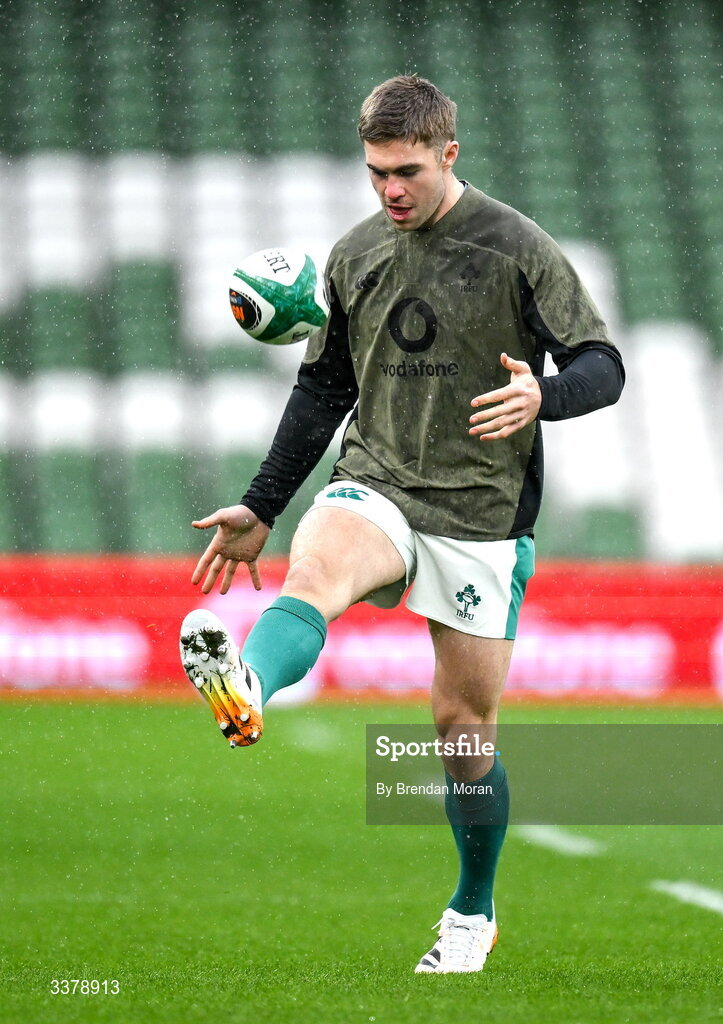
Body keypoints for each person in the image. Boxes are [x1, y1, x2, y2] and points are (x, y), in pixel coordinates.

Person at [179, 74, 624, 974]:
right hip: (375, 481)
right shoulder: (353, 256)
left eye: (408, 171)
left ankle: (472, 911)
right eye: (377, 171)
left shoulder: (516, 248)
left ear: (448, 155)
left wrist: (544, 394)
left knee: (462, 730)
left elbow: (603, 366)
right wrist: (263, 504)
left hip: (481, 513)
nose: (391, 190)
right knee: (316, 572)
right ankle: (250, 688)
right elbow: (323, 388)